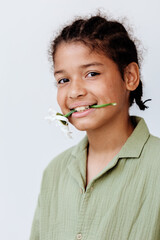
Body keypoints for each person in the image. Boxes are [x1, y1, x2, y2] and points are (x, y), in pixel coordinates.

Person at [30, 14, 160, 240]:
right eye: (63, 80)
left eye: (92, 74)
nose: (74, 91)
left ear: (130, 77)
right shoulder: (54, 172)